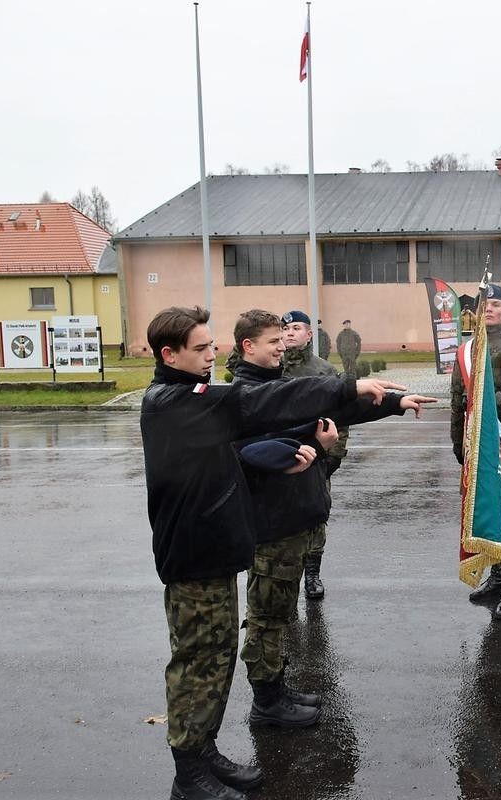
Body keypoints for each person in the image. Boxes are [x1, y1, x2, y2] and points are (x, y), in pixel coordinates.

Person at [139, 305, 405, 800]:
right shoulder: (172, 400)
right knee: (197, 663)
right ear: (168, 354)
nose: (210, 353)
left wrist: (381, 401)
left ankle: (205, 752)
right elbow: (263, 403)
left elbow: (283, 405)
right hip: (194, 557)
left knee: (215, 661)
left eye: (209, 344)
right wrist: (347, 387)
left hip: (215, 551)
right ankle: (188, 774)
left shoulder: (192, 396)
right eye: (200, 349)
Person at [231, 310, 433, 730]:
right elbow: (269, 447)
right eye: (273, 341)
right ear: (248, 346)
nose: (282, 345)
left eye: (284, 338)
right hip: (272, 527)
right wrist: (315, 447)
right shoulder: (246, 394)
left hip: (292, 521)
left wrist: (394, 403)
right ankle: (266, 702)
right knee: (267, 619)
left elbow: (328, 409)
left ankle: (277, 688)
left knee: (281, 615)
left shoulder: (271, 386)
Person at [450, 283, 501, 620]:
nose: (491, 311)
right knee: (486, 514)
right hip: (477, 450)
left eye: (497, 305)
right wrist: (459, 442)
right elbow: (458, 401)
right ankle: (495, 577)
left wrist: (484, 408)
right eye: (486, 305)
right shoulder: (465, 353)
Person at [280, 309, 343, 601]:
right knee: (281, 518)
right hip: (280, 457)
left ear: (309, 335)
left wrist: (333, 455)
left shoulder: (324, 371)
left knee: (317, 516)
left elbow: (340, 417)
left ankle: (313, 574)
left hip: (317, 456)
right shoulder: (272, 368)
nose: (290, 333)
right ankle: (286, 576)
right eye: (285, 328)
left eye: (296, 328)